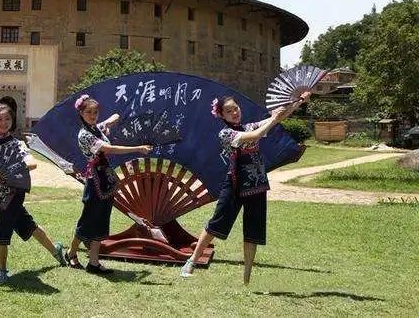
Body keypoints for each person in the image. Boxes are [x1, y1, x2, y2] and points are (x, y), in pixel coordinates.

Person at [180, 93, 309, 283]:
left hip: (257, 184)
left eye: (236, 108)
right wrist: (272, 119)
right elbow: (257, 134)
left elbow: (278, 118)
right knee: (217, 223)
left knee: (253, 229)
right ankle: (191, 261)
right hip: (234, 184)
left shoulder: (249, 125)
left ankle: (247, 277)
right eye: (229, 111)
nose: (234, 112)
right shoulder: (225, 134)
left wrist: (298, 102)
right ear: (222, 115)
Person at [0, 101, 66, 283]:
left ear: (13, 121)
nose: (3, 123)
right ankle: (56, 250)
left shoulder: (16, 144)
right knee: (27, 224)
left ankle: (2, 272)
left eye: (7, 119)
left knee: (0, 230)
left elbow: (32, 163)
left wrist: (9, 170)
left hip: (14, 191)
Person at [65, 94, 152, 274]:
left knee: (102, 219)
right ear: (81, 113)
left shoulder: (97, 128)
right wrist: (137, 148)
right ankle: (71, 252)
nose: (92, 115)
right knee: (88, 219)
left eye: (95, 112)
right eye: (88, 112)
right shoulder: (85, 135)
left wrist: (115, 117)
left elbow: (107, 123)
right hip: (94, 180)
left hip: (106, 179)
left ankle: (94, 262)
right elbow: (109, 149)